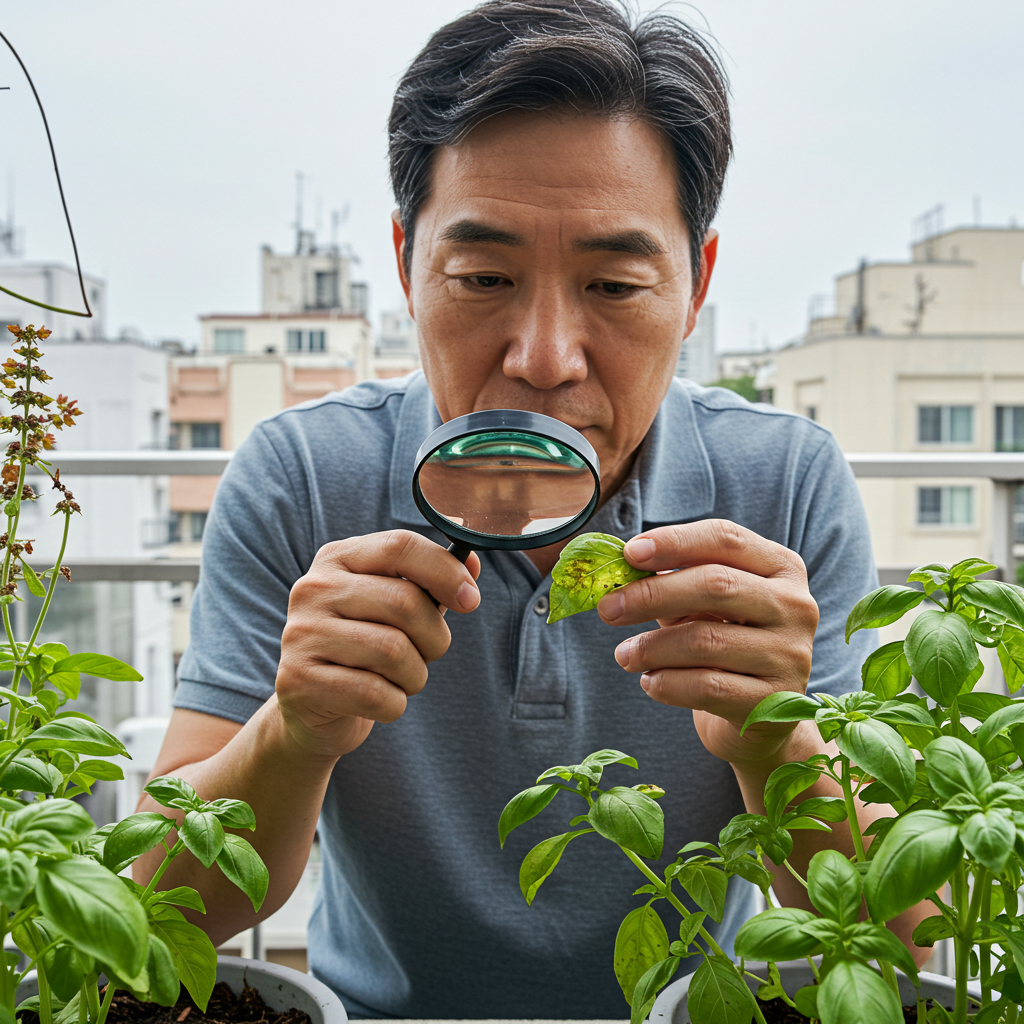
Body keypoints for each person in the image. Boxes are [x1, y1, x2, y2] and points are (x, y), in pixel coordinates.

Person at [137, 1, 933, 1017]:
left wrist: (779, 739)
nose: (545, 358)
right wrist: (293, 730)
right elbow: (157, 910)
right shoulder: (303, 474)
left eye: (612, 283)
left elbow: (905, 941)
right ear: (404, 265)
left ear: (695, 289)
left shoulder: (780, 483)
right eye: (483, 277)